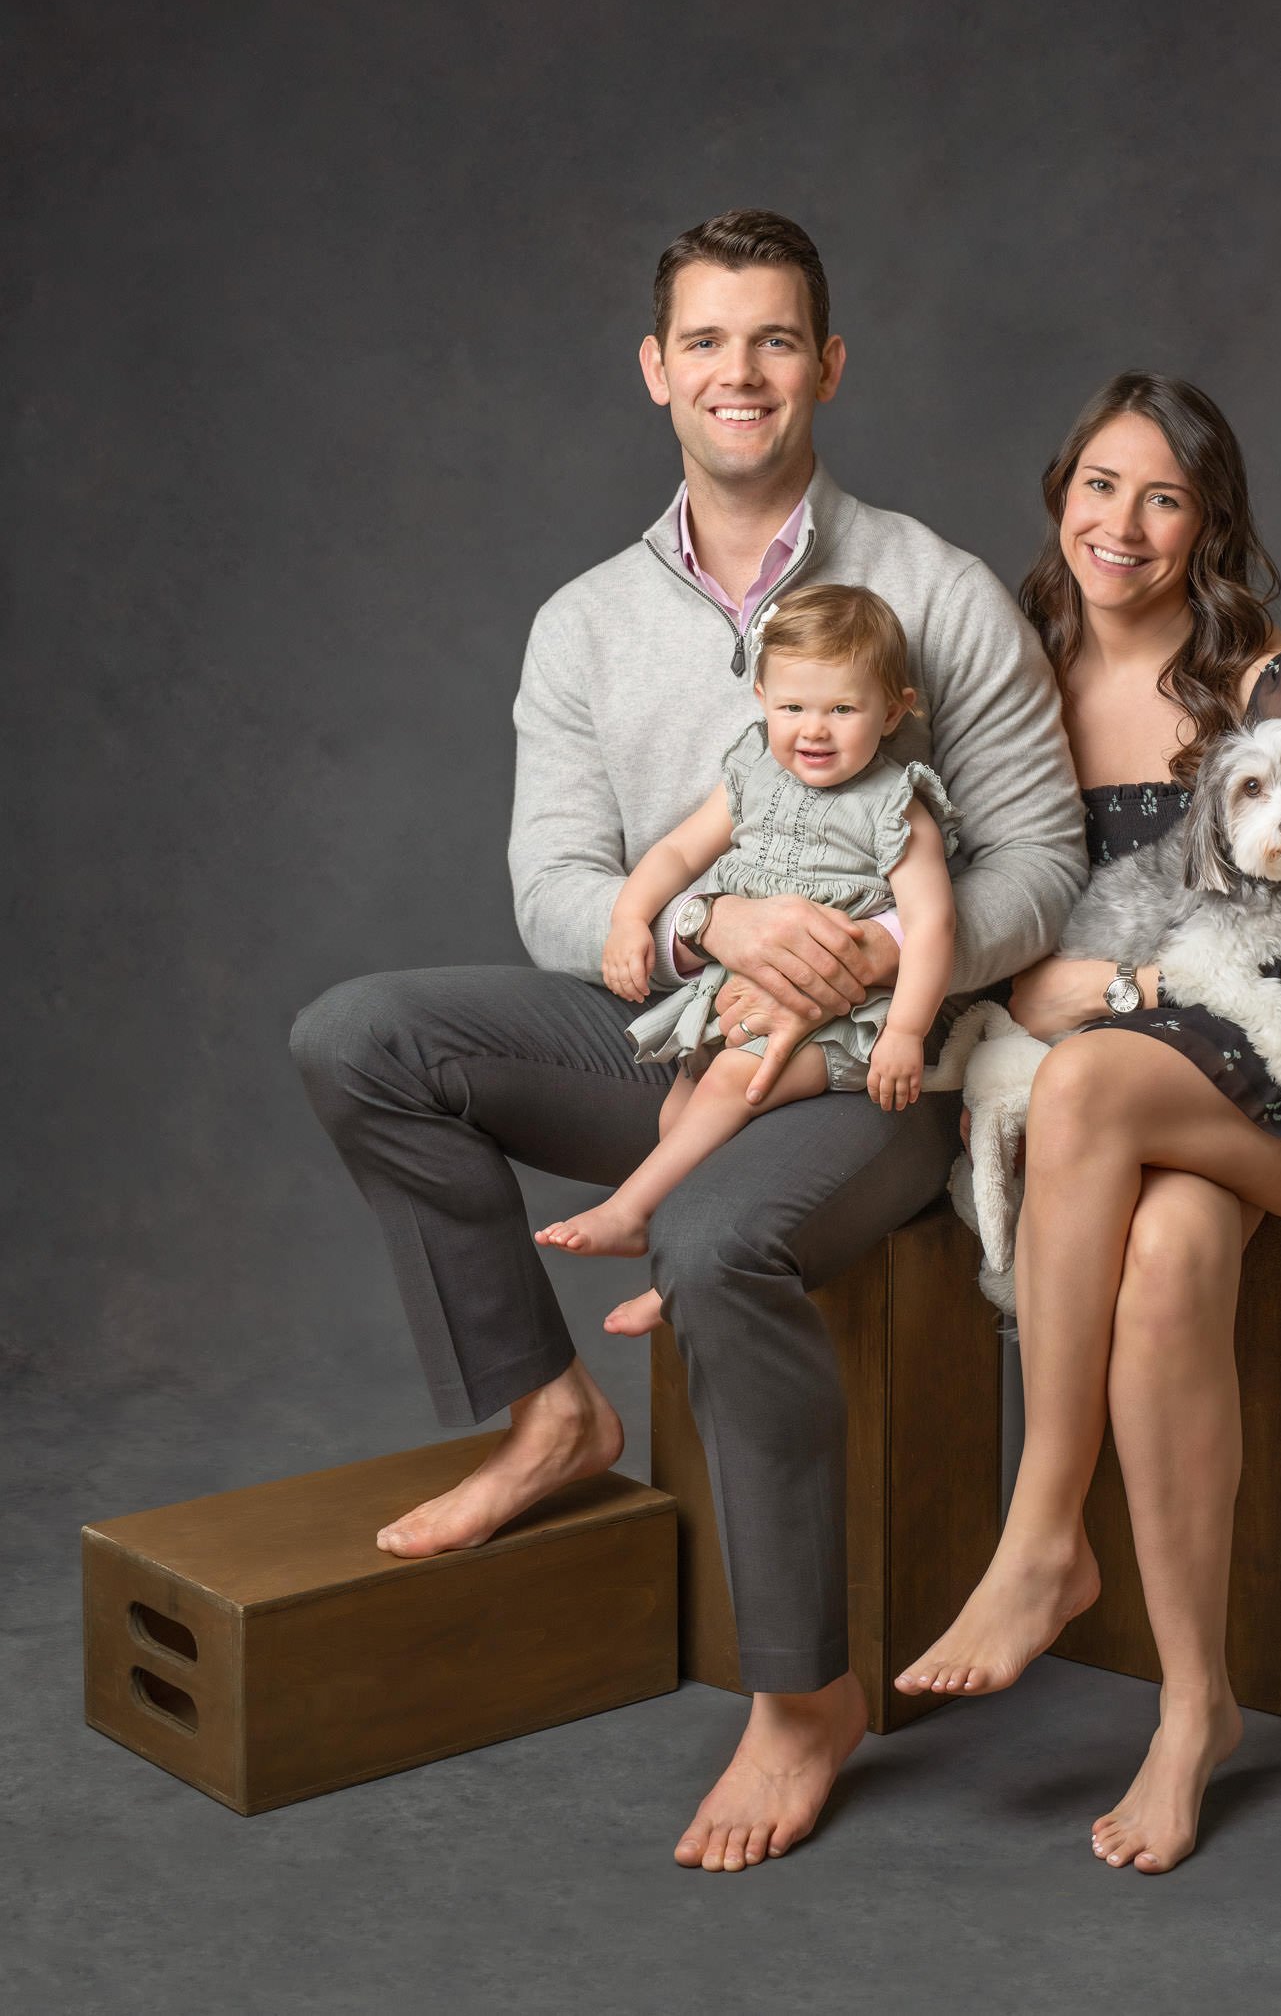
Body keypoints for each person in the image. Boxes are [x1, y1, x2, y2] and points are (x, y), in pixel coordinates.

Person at [288, 208, 1084, 1872]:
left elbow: (1040, 861)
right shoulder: (582, 623)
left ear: (828, 365)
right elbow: (554, 884)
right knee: (357, 1037)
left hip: (871, 1068)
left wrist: (871, 955)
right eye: (706, 341)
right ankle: (545, 1415)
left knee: (719, 1247)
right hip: (667, 1025)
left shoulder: (928, 591)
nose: (741, 371)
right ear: (656, 372)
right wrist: (713, 921)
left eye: (775, 338)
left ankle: (802, 1694)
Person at [895, 372, 1281, 1877]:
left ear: (1207, 522)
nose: (1120, 524)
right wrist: (1038, 983)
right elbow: (952, 893)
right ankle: (1190, 1711)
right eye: (1095, 485)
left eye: (1161, 496)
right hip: (1141, 1114)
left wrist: (1115, 1009)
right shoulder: (1005, 680)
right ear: (1055, 493)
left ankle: (1039, 1534)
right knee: (1159, 1256)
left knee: (1086, 1086)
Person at [535, 582, 959, 1336]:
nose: (814, 731)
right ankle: (677, 1277)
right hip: (742, 995)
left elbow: (930, 929)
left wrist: (904, 1031)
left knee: (734, 1079)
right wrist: (631, 919)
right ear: (761, 696)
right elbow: (678, 851)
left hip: (850, 1024)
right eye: (793, 707)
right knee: (682, 1097)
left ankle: (631, 1212)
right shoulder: (753, 773)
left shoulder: (898, 809)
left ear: (894, 710)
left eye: (843, 709)